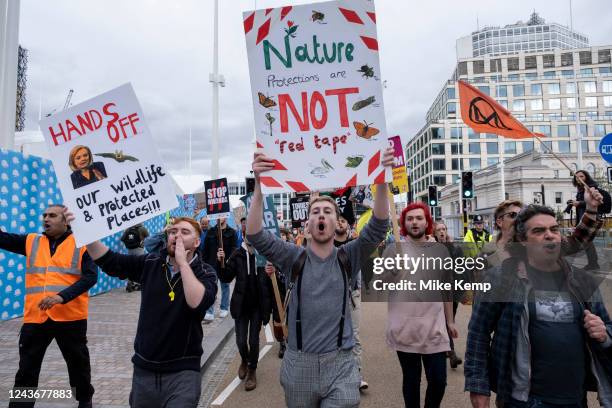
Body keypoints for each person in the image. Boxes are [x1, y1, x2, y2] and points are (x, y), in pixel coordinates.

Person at [247, 148, 394, 408]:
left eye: (328, 211)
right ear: (307, 225)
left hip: (341, 363)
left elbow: (380, 225)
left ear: (337, 222)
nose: (322, 215)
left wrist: (381, 178)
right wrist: (259, 184)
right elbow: (256, 235)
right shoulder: (293, 256)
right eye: (316, 212)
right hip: (299, 363)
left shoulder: (349, 255)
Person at [465, 186, 612, 408]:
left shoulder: (581, 280)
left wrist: (604, 334)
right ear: (522, 238)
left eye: (554, 229)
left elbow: (577, 240)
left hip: (574, 399)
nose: (549, 235)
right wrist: (478, 387)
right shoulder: (496, 271)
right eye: (538, 231)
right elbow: (478, 333)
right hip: (523, 400)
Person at [81, 215, 218, 408]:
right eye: (172, 231)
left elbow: (197, 302)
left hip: (183, 372)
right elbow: (111, 261)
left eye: (184, 232)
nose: (177, 236)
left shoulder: (206, 272)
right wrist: (84, 233)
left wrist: (183, 263)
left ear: (196, 242)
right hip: (144, 370)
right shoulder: (150, 263)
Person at [1, 204, 96, 408]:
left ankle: (84, 401)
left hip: (70, 318)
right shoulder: (31, 241)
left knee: (78, 366)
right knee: (26, 370)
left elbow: (91, 277)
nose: (46, 219)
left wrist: (62, 297)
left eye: (52, 215)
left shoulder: (82, 245)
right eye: (44, 215)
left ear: (66, 220)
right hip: (36, 318)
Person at [384, 203, 458, 408]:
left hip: (434, 327)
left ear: (427, 222)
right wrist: (392, 272)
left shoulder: (440, 250)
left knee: (438, 382)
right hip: (404, 328)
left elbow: (447, 289)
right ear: (404, 223)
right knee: (411, 380)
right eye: (409, 219)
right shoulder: (393, 250)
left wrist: (450, 321)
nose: (414, 222)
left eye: (418, 218)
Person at [218, 235, 272, 391]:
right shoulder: (237, 254)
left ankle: (252, 371)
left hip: (257, 306)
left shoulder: (263, 254)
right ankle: (244, 359)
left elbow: (269, 283)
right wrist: (220, 262)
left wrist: (268, 309)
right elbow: (226, 277)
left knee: (253, 341)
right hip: (241, 306)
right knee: (241, 341)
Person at [334, 215, 368, 391]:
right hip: (331, 296)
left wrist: (359, 286)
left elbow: (360, 265)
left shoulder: (354, 244)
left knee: (354, 334)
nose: (340, 222)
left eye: (343, 220)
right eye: (337, 219)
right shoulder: (326, 244)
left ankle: (357, 373)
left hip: (352, 294)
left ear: (347, 225)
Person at [433, 221, 464, 370]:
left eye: (444, 229)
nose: (442, 232)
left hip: (452, 291)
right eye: (438, 230)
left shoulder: (454, 248)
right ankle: (451, 352)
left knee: (448, 321)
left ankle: (445, 348)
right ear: (434, 233)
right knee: (444, 321)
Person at [567, 170, 611, 271]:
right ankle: (593, 263)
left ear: (586, 177)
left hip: (591, 219)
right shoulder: (580, 190)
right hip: (583, 219)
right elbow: (580, 208)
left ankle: (593, 264)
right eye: (577, 177)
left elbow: (592, 203)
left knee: (587, 242)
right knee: (587, 242)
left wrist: (579, 203)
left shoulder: (591, 189)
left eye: (581, 176)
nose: (579, 179)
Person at [202, 217, 237, 322]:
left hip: (225, 264)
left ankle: (224, 307)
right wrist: (204, 263)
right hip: (211, 264)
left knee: (225, 285)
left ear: (225, 217)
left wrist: (228, 260)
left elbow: (234, 248)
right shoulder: (210, 232)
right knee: (211, 287)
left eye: (221, 216)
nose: (219, 217)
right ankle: (209, 311)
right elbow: (205, 249)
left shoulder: (232, 232)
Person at [121, 223, 149, 292]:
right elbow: (147, 236)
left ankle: (130, 283)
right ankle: (138, 284)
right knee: (140, 266)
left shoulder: (128, 229)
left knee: (131, 267)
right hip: (139, 249)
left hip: (130, 250)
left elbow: (122, 238)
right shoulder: (141, 228)